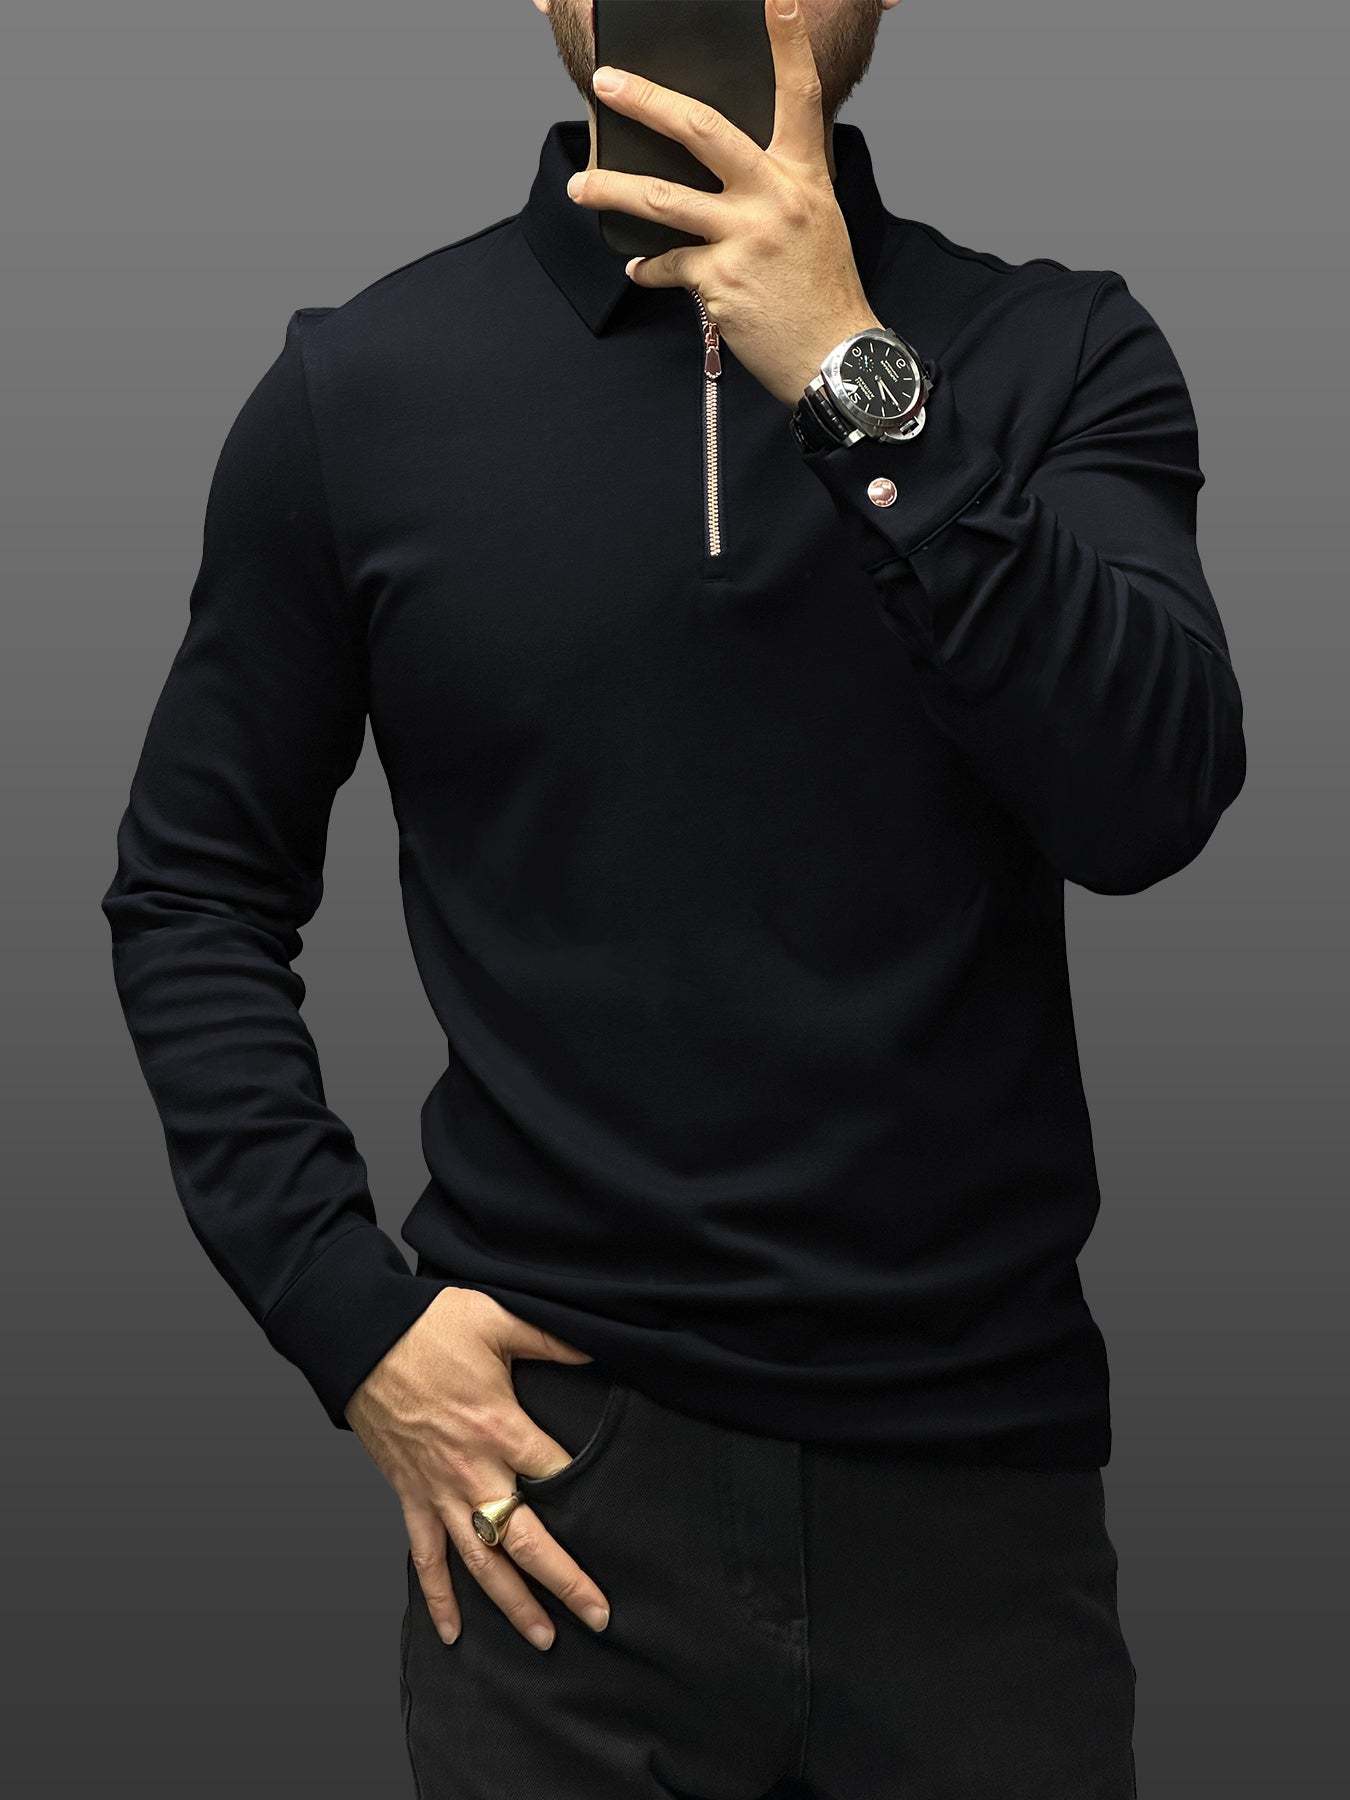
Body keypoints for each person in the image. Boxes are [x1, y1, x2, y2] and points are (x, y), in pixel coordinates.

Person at [100, 1, 1246, 1793]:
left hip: (976, 1499)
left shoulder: (1052, 348)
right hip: (550, 1497)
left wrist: (851, 370)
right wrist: (347, 1318)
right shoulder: (363, 388)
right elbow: (192, 886)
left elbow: (1146, 799)